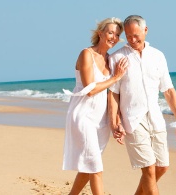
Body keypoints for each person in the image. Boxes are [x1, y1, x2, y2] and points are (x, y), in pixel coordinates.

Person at [108, 15, 176, 195]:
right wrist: (115, 122)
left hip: (155, 118)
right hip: (133, 120)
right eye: (128, 36)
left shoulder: (158, 56)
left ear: (146, 30)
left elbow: (168, 90)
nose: (132, 40)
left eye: (136, 35)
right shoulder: (117, 57)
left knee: (162, 166)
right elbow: (113, 93)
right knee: (149, 169)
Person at [62, 17, 129, 195]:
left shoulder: (111, 59)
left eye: (117, 34)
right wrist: (115, 78)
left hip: (101, 120)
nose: (114, 37)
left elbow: (112, 94)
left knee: (88, 165)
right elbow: (90, 89)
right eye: (110, 32)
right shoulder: (86, 54)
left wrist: (115, 121)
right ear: (100, 33)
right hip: (83, 116)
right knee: (96, 167)